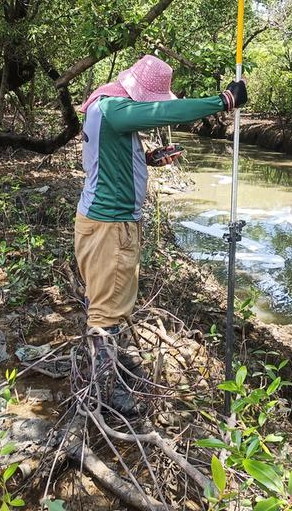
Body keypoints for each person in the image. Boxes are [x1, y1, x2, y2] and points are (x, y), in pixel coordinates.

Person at [75, 54, 247, 411]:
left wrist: (150, 158)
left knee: (106, 298)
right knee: (106, 311)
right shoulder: (115, 109)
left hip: (102, 221)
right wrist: (224, 101)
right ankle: (106, 394)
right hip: (111, 226)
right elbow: (165, 114)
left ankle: (113, 370)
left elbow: (110, 156)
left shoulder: (102, 103)